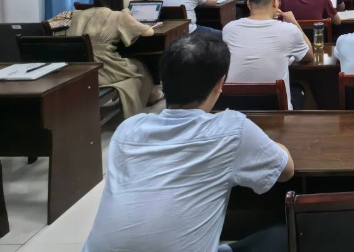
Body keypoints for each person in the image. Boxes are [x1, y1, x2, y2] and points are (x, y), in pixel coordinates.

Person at [82, 34, 295, 252]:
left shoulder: (127, 130)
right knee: (285, 232)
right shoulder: (232, 129)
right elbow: (286, 170)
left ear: (163, 80)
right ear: (220, 83)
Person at [68, 0, 161, 118]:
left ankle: (152, 95)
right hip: (105, 67)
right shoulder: (118, 15)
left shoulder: (78, 14)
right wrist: (148, 26)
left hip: (77, 67)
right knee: (139, 66)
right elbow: (149, 32)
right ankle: (143, 103)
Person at [222, 0, 312, 110]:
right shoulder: (289, 30)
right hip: (277, 110)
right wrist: (294, 23)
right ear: (275, 2)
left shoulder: (229, 29)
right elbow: (308, 56)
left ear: (248, 4)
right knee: (301, 87)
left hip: (236, 108)